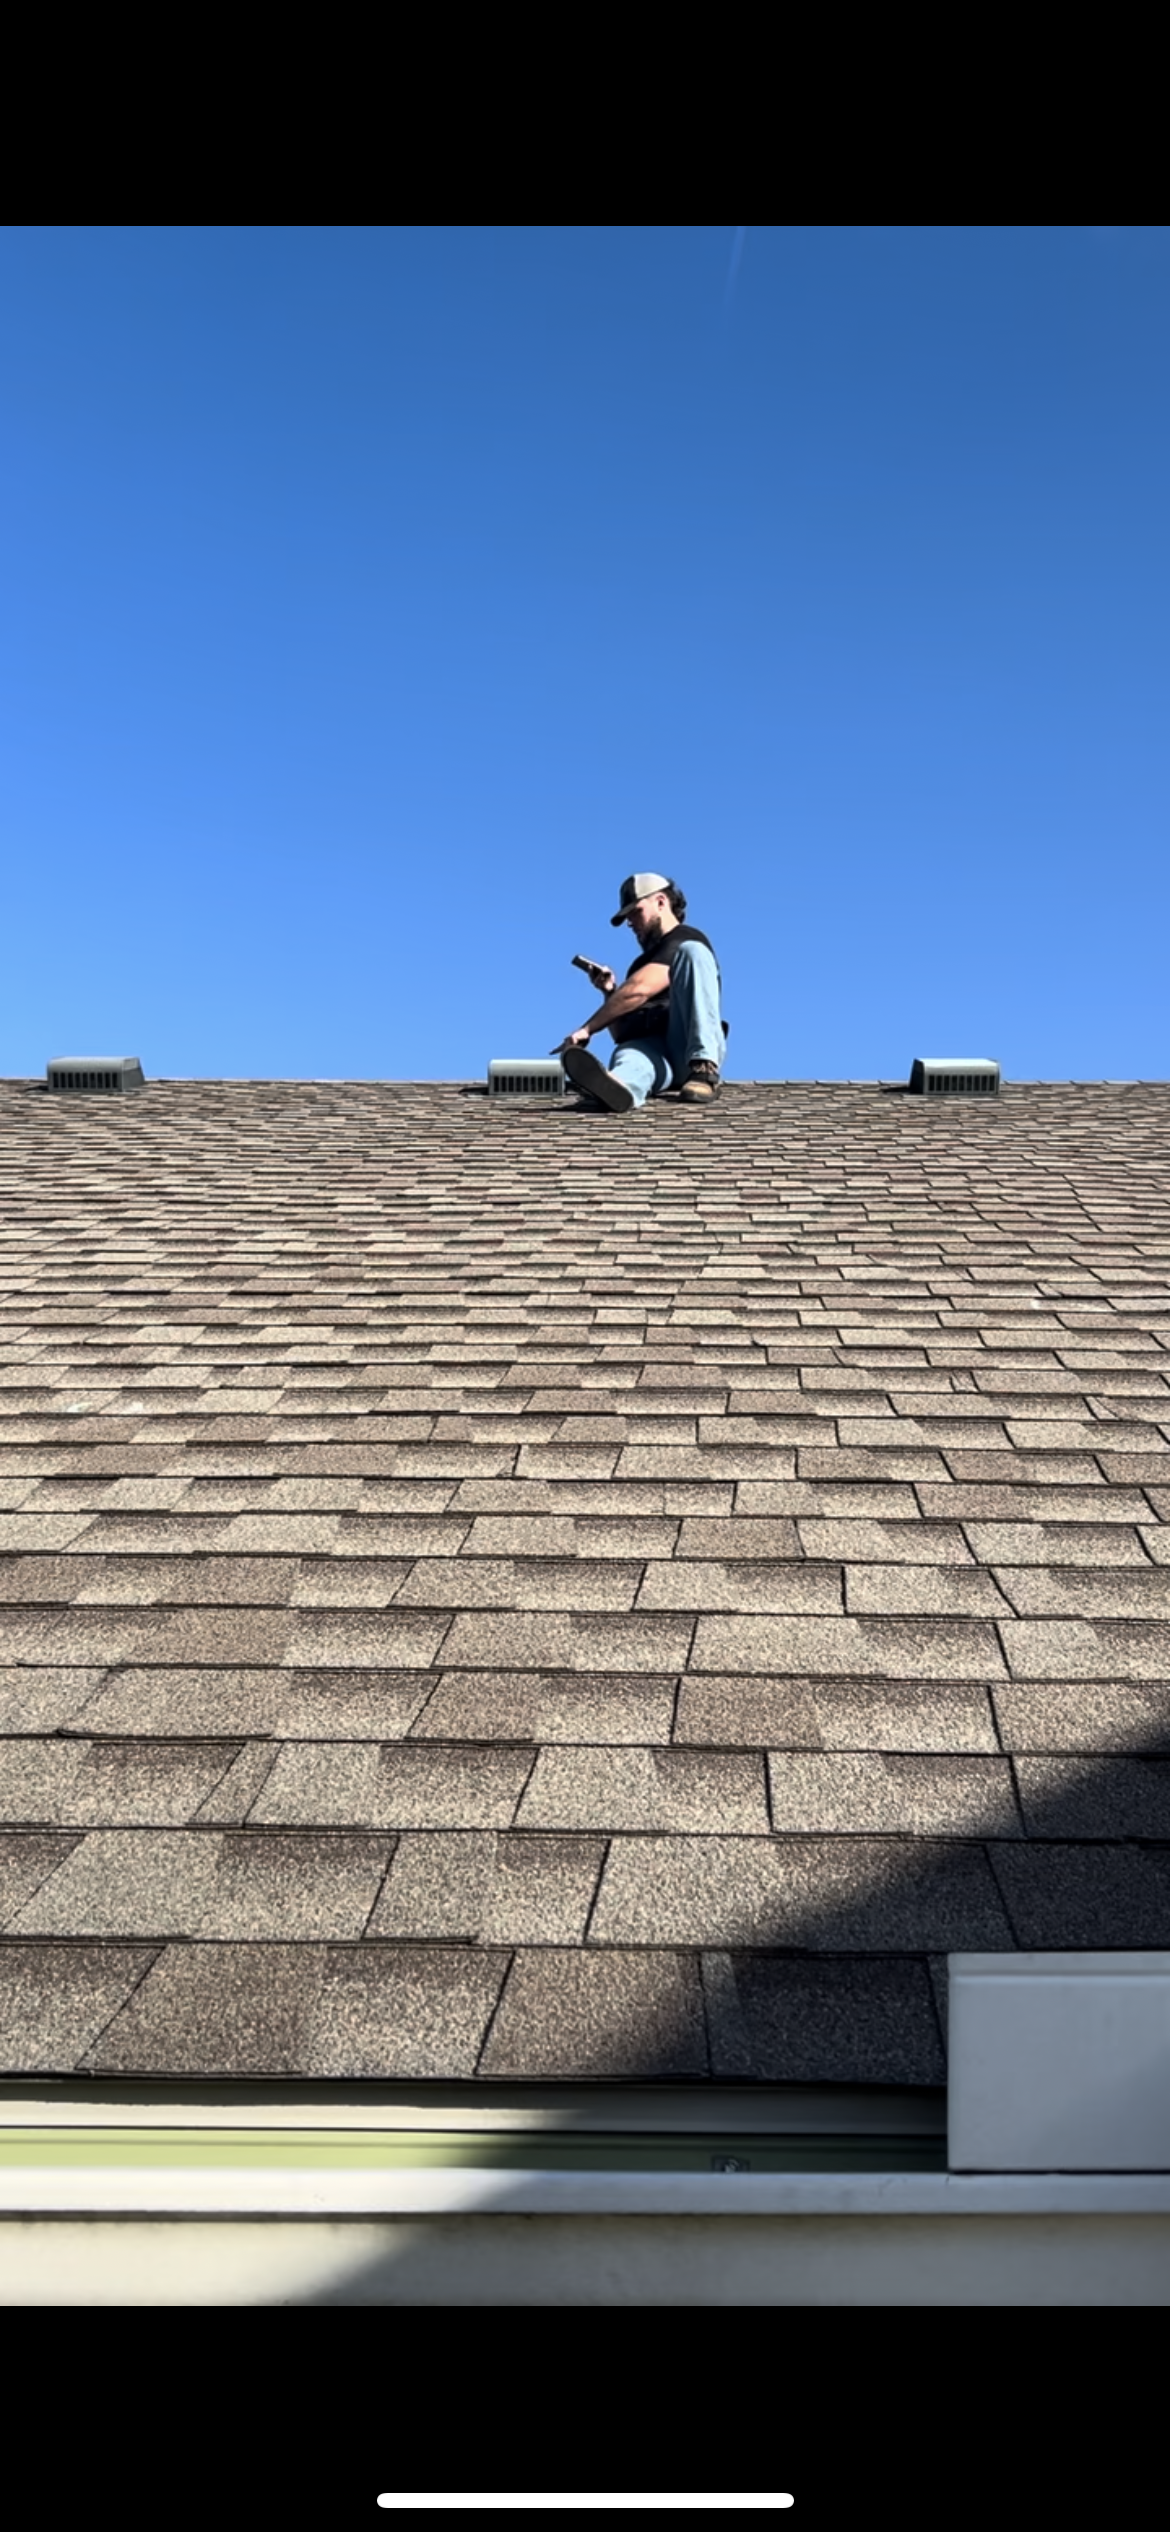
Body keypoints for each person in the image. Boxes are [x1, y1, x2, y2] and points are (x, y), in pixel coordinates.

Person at [553, 874, 726, 1111]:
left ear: (661, 902)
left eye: (635, 911)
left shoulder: (685, 939)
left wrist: (588, 1028)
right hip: (654, 1056)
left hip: (683, 1046)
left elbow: (638, 991)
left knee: (692, 952)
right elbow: (621, 1033)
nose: (630, 922)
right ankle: (618, 1086)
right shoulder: (639, 964)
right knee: (630, 1057)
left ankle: (704, 1070)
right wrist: (610, 992)